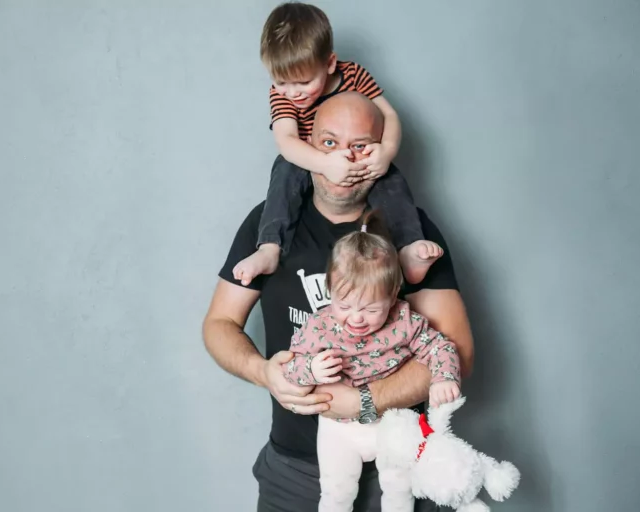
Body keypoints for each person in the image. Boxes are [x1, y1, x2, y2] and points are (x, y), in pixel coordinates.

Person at [203, 91, 475, 512]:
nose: (343, 161)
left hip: (399, 464)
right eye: (329, 143)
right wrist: (263, 372)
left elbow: (458, 351)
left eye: (360, 146)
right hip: (294, 472)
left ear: (383, 151)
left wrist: (367, 400)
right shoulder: (268, 226)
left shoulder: (411, 233)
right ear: (307, 145)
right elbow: (219, 323)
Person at [232, 2, 444, 288]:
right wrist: (325, 163)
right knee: (284, 170)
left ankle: (407, 248)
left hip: (357, 156)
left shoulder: (353, 75)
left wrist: (386, 151)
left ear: (330, 64)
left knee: (390, 180)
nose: (292, 93)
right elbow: (286, 140)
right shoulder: (281, 95)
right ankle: (270, 247)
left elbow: (390, 115)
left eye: (304, 82)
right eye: (281, 81)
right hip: (311, 157)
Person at [283, 211, 461, 511]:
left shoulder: (403, 320)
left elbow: (439, 346)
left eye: (370, 309)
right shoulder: (319, 326)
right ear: (330, 291)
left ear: (392, 296)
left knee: (399, 488)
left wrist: (444, 377)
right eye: (344, 306)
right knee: (336, 492)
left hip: (392, 422)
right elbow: (290, 368)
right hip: (338, 427)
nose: (356, 318)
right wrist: (311, 369)